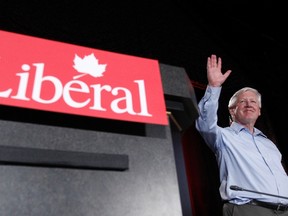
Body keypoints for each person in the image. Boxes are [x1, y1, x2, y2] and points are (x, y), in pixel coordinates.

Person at [195, 54, 288, 216]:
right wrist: (214, 86)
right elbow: (204, 122)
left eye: (253, 102)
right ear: (232, 110)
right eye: (243, 101)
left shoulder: (269, 144)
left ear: (259, 111)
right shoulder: (223, 136)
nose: (249, 104)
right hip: (249, 209)